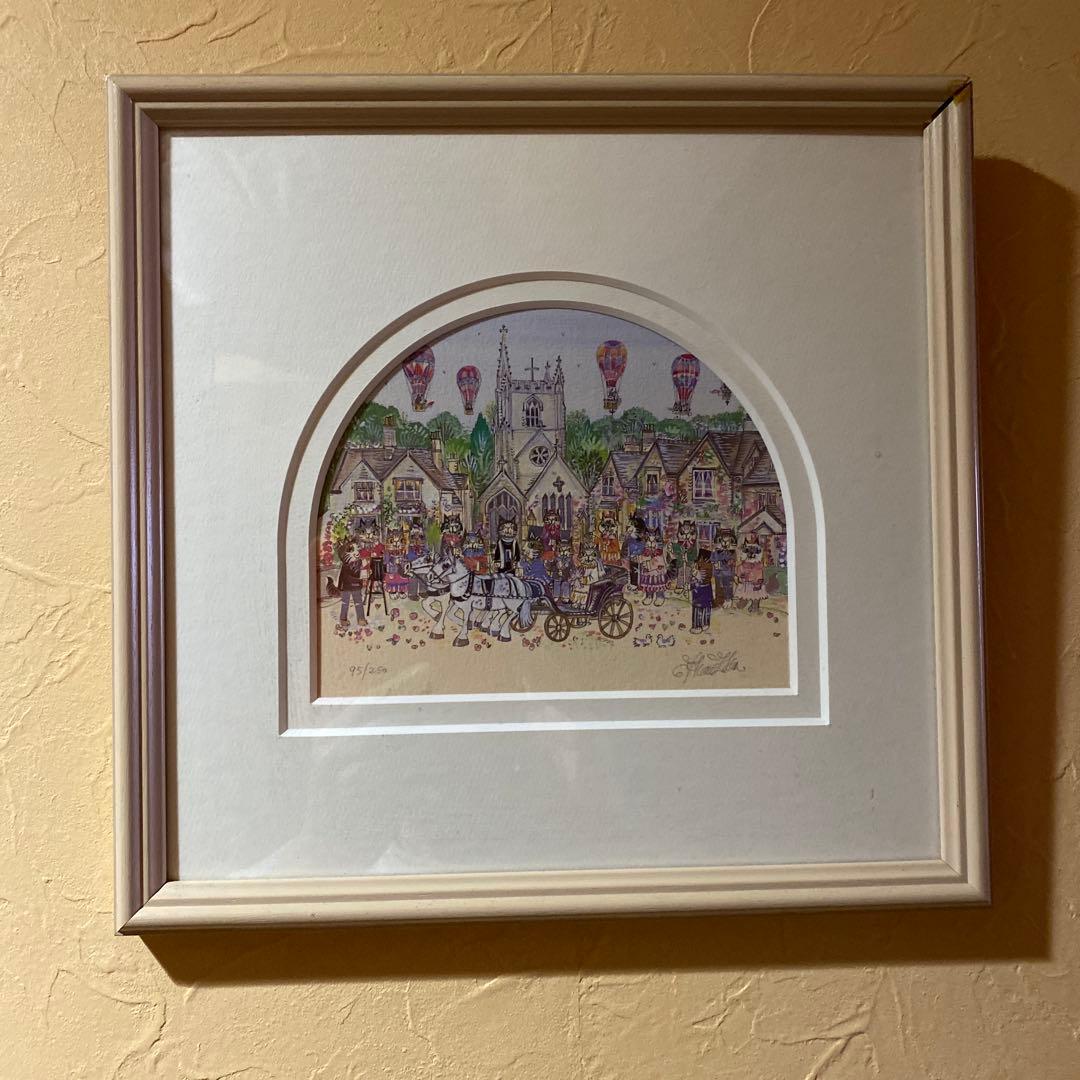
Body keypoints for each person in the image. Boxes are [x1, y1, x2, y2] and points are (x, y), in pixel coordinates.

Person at [735, 533, 768, 614]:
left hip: (755, 583)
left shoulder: (758, 565)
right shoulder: (743, 564)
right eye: (748, 551)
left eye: (755, 551)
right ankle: (742, 603)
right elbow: (739, 570)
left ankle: (755, 607)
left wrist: (759, 580)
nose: (751, 554)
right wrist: (738, 576)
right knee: (744, 594)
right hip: (745, 583)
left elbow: (760, 572)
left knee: (756, 596)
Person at [638, 525, 668, 606]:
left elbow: (661, 552)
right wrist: (644, 557)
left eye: (653, 535)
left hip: (657, 562)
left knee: (658, 580)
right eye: (649, 535)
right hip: (647, 563)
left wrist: (656, 556)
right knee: (648, 580)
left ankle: (660, 596)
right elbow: (643, 552)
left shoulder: (659, 544)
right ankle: (649, 596)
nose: (651, 537)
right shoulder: (645, 543)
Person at [690, 550, 714, 633]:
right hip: (699, 590)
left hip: (704, 589)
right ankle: (698, 625)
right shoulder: (697, 565)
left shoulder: (708, 565)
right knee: (699, 607)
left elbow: (707, 577)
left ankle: (703, 624)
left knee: (704, 607)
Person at [712, 529, 736, 610]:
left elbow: (732, 562)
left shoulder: (732, 552)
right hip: (718, 573)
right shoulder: (716, 551)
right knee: (718, 587)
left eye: (727, 541)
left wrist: (727, 562)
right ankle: (718, 601)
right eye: (723, 541)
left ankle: (728, 600)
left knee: (727, 587)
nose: (725, 543)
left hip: (728, 573)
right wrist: (715, 562)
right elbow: (713, 559)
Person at [622, 517, 645, 591]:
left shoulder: (640, 537)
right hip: (630, 557)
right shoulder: (629, 536)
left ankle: (638, 585)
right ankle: (633, 585)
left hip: (638, 557)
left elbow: (641, 546)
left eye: (631, 524)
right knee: (631, 571)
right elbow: (625, 546)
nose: (629, 526)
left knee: (638, 571)